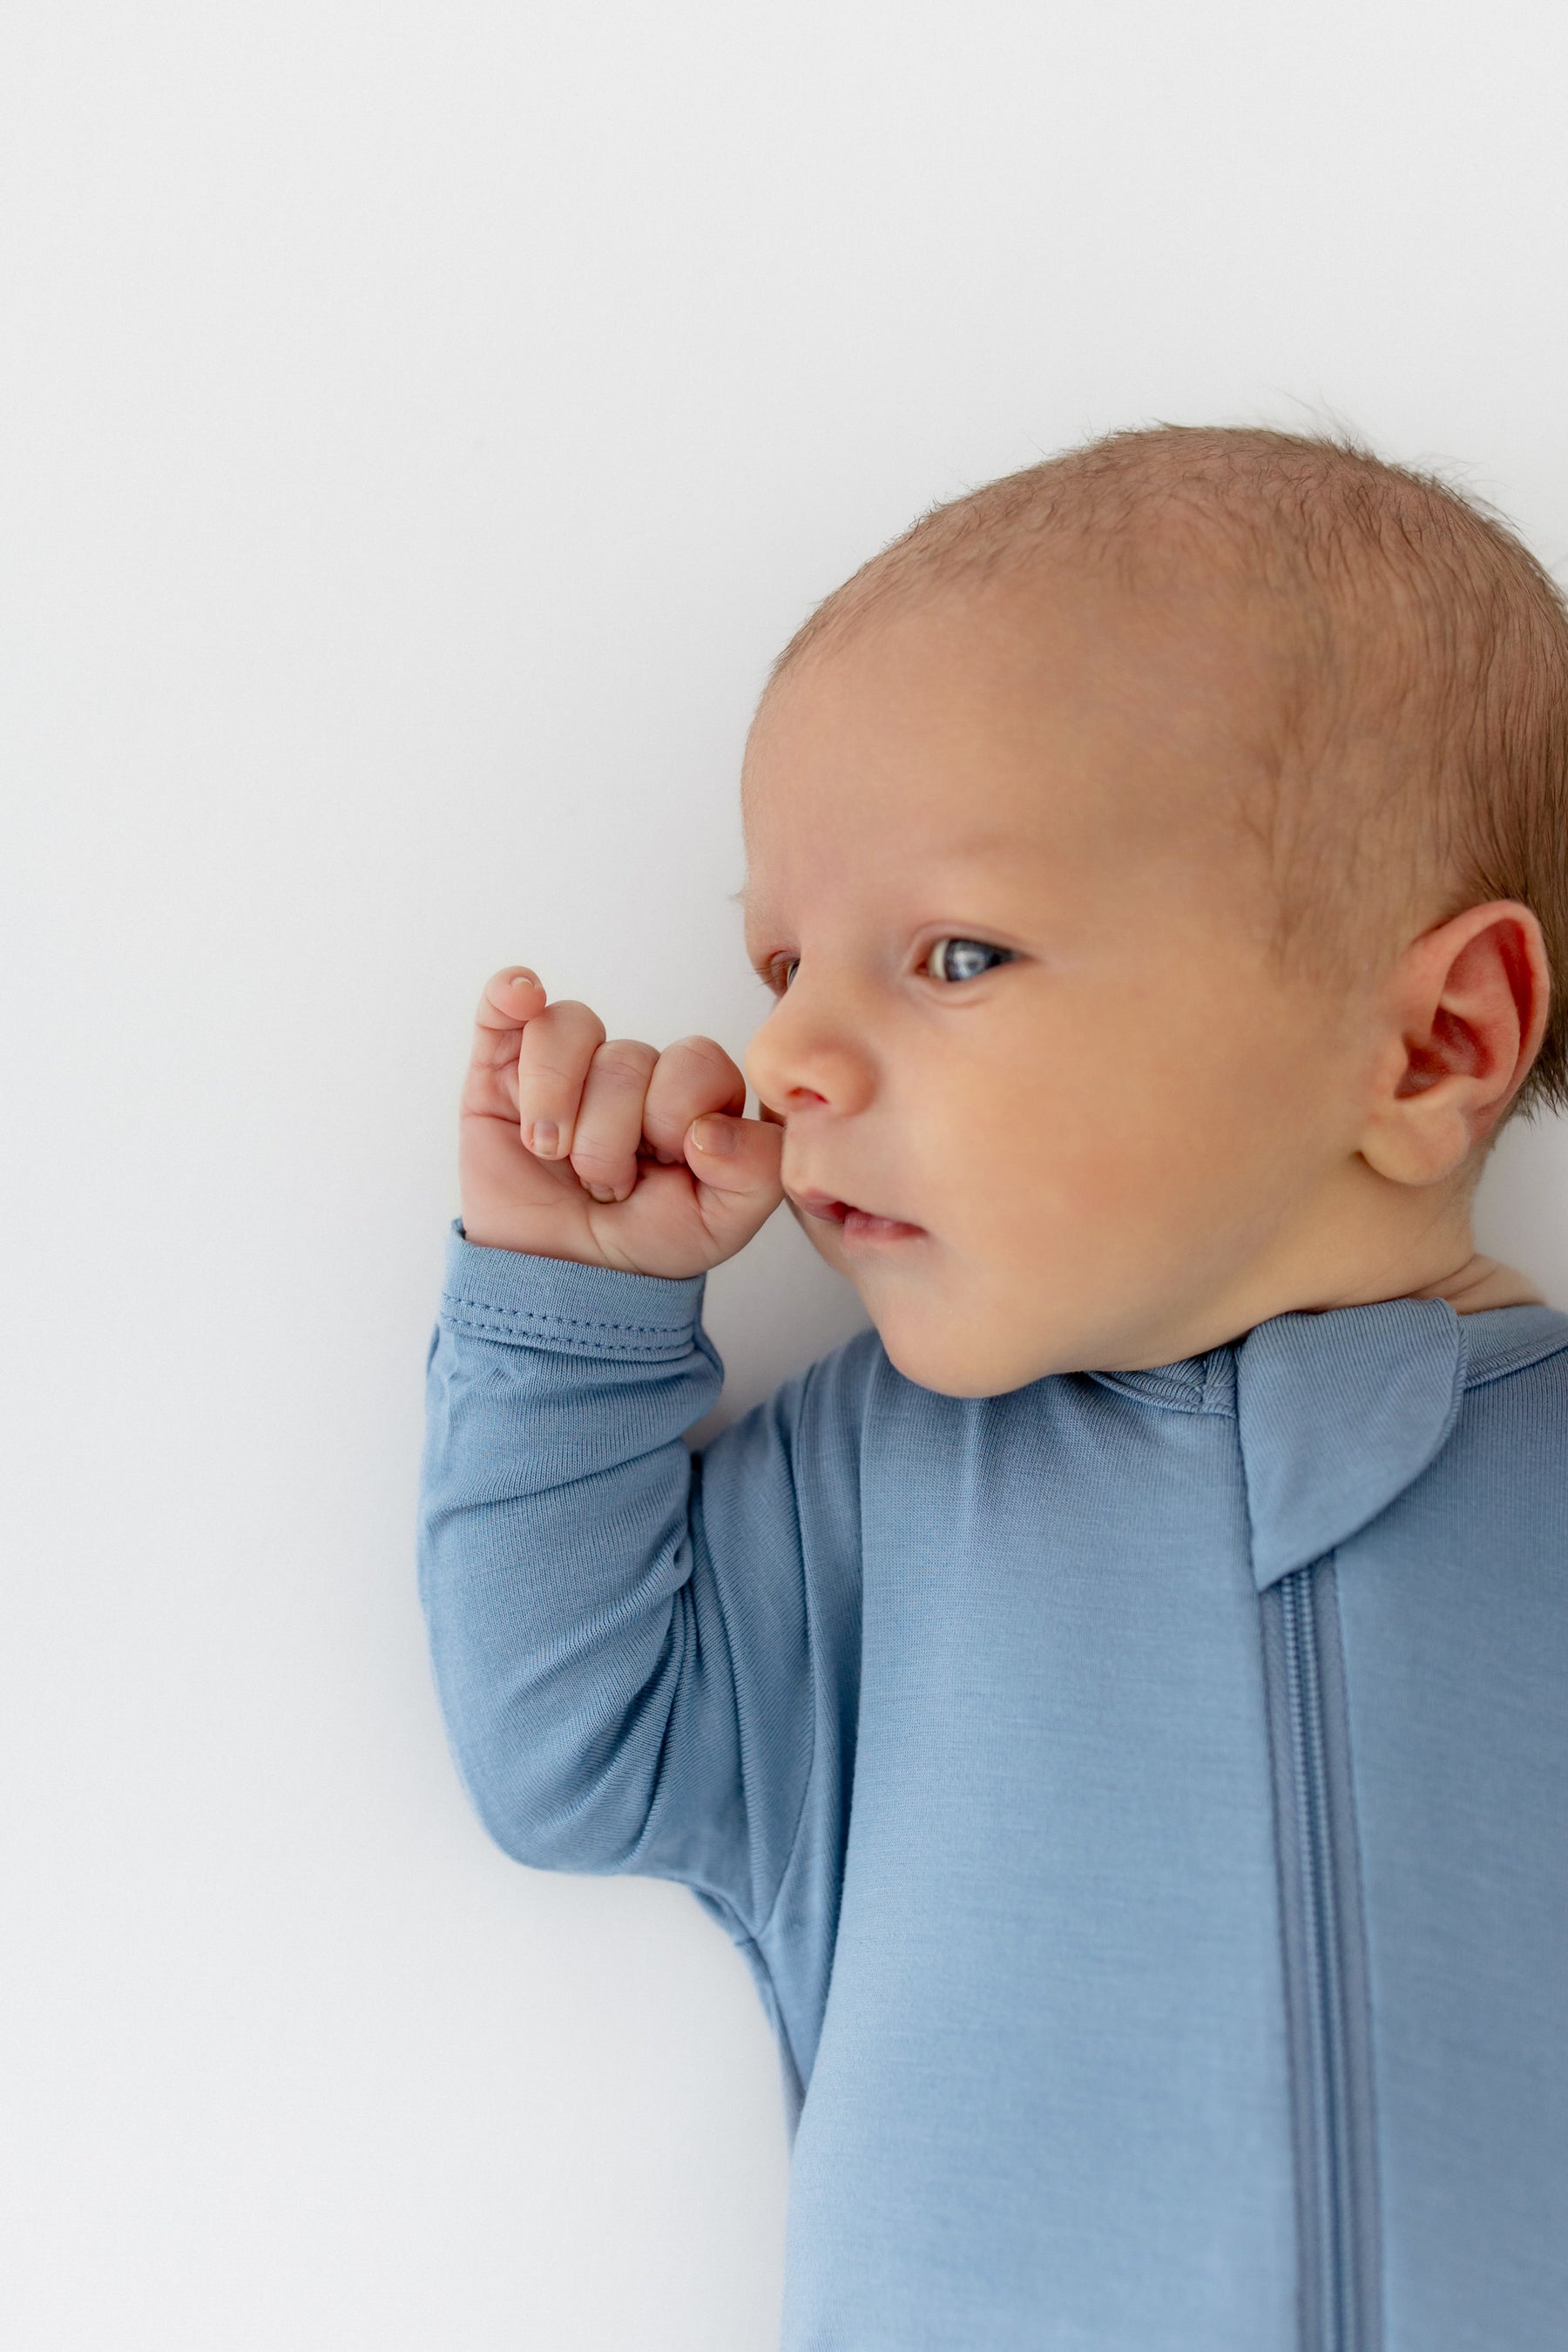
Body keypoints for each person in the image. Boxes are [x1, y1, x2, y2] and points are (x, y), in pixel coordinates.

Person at [416, 425, 1568, 2350]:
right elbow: (568, 1748)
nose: (788, 1053)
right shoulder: (872, 1504)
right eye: (784, 962)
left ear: (1436, 1041)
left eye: (953, 952)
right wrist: (570, 1309)